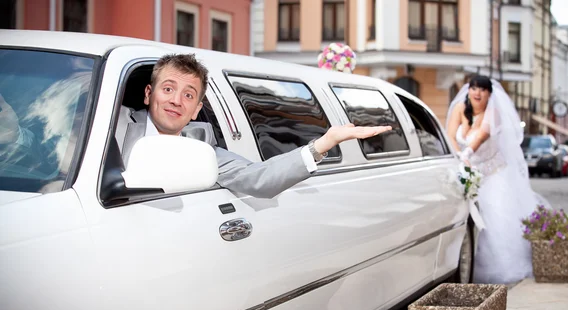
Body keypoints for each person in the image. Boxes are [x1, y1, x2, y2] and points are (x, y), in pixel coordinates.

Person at [1, 53, 391, 199]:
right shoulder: (110, 125)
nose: (176, 100)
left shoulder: (201, 147)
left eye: (189, 95)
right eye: (168, 89)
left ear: (197, 108)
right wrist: (13, 131)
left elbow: (261, 180)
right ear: (148, 94)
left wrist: (325, 142)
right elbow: (50, 148)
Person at [446, 74, 548, 284]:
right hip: (467, 172)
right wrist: (458, 157)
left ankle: (502, 267)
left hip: (493, 173)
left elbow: (481, 137)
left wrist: (466, 155)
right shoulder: (459, 109)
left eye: (482, 89)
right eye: (473, 88)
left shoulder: (493, 113)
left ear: (489, 94)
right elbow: (450, 136)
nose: (477, 93)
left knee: (496, 220)